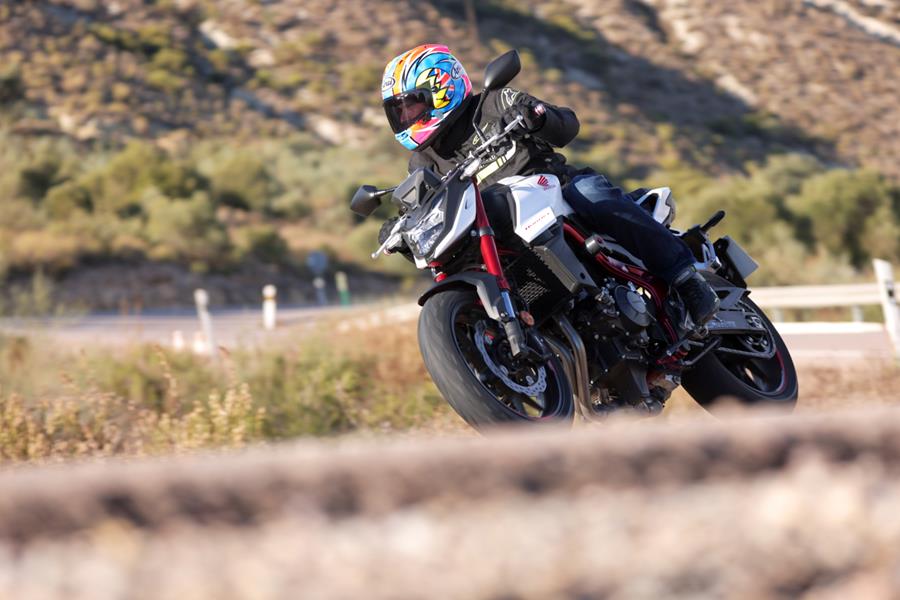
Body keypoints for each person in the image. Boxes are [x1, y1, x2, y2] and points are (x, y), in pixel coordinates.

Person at [379, 44, 719, 326]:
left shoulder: (496, 103)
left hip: (552, 188)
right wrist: (398, 226)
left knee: (590, 193)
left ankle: (686, 279)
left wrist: (540, 117)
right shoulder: (423, 162)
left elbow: (566, 126)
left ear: (442, 87)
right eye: (399, 111)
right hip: (497, 230)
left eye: (413, 104)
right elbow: (421, 207)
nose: (407, 117)